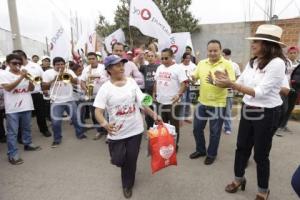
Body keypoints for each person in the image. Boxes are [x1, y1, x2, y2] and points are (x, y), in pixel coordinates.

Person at [214, 24, 287, 200]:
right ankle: (239, 179)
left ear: (268, 45)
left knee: (261, 154)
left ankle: (263, 190)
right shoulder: (252, 62)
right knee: (241, 147)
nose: (252, 44)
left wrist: (231, 84)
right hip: (249, 108)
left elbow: (260, 92)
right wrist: (223, 80)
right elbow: (241, 82)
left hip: (267, 112)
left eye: (256, 41)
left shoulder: (277, 63)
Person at [94, 55, 161, 198]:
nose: (121, 67)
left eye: (122, 64)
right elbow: (98, 111)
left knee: (131, 160)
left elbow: (142, 103)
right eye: (117, 65)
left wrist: (154, 115)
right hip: (116, 131)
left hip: (135, 129)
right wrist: (105, 124)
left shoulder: (131, 82)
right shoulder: (105, 88)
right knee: (118, 159)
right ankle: (124, 167)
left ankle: (127, 184)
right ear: (109, 70)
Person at [190, 40, 235, 165]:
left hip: (218, 104)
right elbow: (195, 77)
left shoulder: (227, 64)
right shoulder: (202, 63)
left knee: (215, 132)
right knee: (197, 129)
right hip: (202, 102)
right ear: (207, 51)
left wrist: (215, 82)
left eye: (215, 50)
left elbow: (231, 83)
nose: (213, 53)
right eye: (210, 51)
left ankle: (211, 154)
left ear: (220, 50)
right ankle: (201, 150)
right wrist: (191, 78)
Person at [0, 54, 41, 165]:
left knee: (27, 128)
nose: (17, 65)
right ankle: (12, 154)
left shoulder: (24, 73)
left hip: (27, 105)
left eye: (19, 63)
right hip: (13, 108)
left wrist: (31, 81)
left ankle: (28, 144)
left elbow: (30, 89)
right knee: (12, 132)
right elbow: (8, 88)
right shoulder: (4, 74)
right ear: (8, 64)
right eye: (14, 63)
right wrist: (22, 77)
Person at [42, 57, 87, 148]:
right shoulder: (47, 73)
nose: (60, 66)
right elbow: (44, 87)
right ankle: (57, 139)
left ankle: (80, 134)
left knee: (75, 118)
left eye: (62, 64)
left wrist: (69, 76)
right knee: (55, 122)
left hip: (70, 100)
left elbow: (76, 81)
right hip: (56, 101)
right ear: (53, 65)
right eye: (57, 64)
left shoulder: (69, 71)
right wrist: (54, 80)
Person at [153, 48, 187, 151]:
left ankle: (174, 146)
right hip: (160, 102)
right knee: (160, 125)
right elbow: (156, 82)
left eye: (166, 58)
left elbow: (184, 84)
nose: (163, 60)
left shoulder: (178, 68)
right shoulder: (159, 67)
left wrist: (178, 95)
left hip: (173, 103)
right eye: (162, 58)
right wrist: (154, 92)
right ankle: (162, 144)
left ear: (172, 57)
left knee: (173, 127)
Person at [13, 50, 52, 137]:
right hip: (20, 95)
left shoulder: (35, 66)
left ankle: (44, 129)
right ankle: (21, 134)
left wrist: (44, 89)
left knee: (40, 113)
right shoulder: (13, 67)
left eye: (16, 58)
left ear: (23, 57)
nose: (15, 60)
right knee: (22, 115)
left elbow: (43, 78)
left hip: (36, 93)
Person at [80, 52, 109, 140]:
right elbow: (82, 82)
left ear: (97, 59)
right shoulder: (86, 69)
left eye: (93, 58)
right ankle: (99, 131)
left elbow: (109, 78)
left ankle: (108, 132)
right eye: (89, 59)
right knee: (95, 115)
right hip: (92, 95)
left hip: (104, 94)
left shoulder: (103, 67)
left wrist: (98, 77)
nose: (91, 60)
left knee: (107, 114)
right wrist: (86, 90)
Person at [276, 46, 300, 134]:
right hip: (284, 88)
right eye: (291, 53)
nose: (293, 54)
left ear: (297, 54)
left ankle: (283, 125)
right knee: (283, 107)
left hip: (295, 89)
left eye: (295, 53)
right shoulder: (284, 62)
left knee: (290, 108)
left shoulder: (298, 63)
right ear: (287, 54)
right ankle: (277, 125)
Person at [222, 48, 241, 134]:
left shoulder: (234, 65)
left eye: (223, 55)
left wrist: (236, 87)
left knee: (228, 109)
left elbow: (238, 77)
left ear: (227, 55)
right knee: (219, 108)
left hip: (229, 89)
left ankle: (227, 127)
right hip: (219, 89)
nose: (222, 56)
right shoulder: (219, 64)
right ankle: (218, 125)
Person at [139, 51, 160, 129]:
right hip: (147, 93)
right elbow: (137, 63)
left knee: (158, 112)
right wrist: (141, 57)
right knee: (148, 113)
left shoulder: (159, 66)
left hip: (157, 93)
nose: (150, 57)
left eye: (152, 56)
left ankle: (158, 129)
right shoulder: (144, 67)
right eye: (149, 56)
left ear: (155, 57)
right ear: (147, 58)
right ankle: (149, 129)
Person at [179, 52, 197, 122]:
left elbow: (196, 76)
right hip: (182, 87)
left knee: (188, 102)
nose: (188, 59)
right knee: (182, 102)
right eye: (186, 58)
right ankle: (180, 118)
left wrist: (193, 80)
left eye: (189, 58)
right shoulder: (179, 66)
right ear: (183, 58)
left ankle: (186, 117)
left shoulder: (193, 66)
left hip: (191, 86)